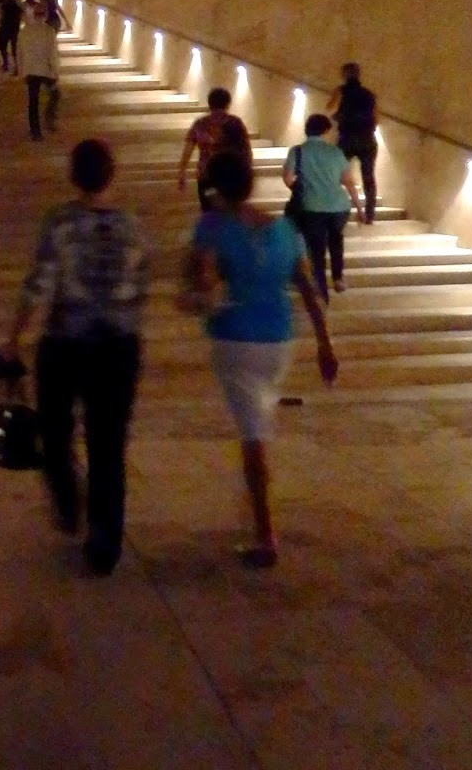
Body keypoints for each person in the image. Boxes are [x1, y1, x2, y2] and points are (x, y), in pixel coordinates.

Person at [184, 151, 338, 567]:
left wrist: (198, 292)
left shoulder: (212, 227)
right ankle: (256, 518)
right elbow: (308, 287)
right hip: (279, 341)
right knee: (257, 425)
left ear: (215, 188)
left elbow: (202, 285)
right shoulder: (285, 229)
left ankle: (265, 535)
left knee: (254, 437)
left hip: (237, 340)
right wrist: (325, 343)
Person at [4, 139, 149, 575]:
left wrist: (13, 338)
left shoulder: (60, 223)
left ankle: (68, 501)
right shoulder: (132, 228)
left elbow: (39, 283)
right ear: (112, 175)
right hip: (119, 347)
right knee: (108, 444)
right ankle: (105, 542)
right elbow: (141, 289)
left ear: (73, 176)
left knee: (54, 431)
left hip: (65, 343)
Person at [283, 114, 363, 300]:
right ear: (325, 131)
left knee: (316, 249)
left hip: (311, 207)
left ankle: (320, 288)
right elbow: (348, 182)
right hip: (339, 207)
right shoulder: (335, 152)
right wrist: (359, 208)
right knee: (336, 240)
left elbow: (287, 178)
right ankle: (338, 278)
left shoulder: (297, 151)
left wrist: (300, 188)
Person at [178, 88, 253, 209]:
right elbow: (246, 149)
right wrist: (248, 170)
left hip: (206, 177)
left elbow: (188, 148)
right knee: (230, 209)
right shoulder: (235, 122)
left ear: (209, 104)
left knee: (208, 207)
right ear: (228, 103)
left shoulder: (200, 123)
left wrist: (182, 171)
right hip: (231, 176)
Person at [328, 63, 379, 225]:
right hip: (367, 139)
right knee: (368, 177)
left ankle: (331, 209)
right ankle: (369, 215)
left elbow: (330, 109)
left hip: (347, 138)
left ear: (344, 75)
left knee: (336, 174)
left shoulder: (340, 91)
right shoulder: (370, 94)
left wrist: (339, 116)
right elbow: (376, 117)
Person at [19, 0, 60, 141]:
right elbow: (53, 54)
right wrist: (55, 71)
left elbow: (19, 52)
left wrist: (21, 70)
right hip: (45, 70)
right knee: (55, 94)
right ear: (45, 15)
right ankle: (49, 118)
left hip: (30, 70)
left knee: (33, 101)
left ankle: (35, 131)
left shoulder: (25, 31)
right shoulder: (49, 31)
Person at [0, 0, 23, 74]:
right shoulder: (17, 7)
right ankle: (16, 67)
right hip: (14, 29)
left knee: (3, 47)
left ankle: (5, 64)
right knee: (14, 49)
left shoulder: (4, 6)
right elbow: (20, 16)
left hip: (5, 28)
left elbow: (1, 17)